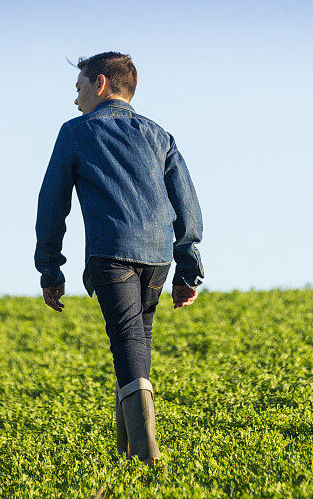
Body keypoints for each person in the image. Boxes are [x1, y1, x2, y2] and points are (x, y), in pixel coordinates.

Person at [35, 52, 204, 465]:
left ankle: (146, 455)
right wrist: (188, 268)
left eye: (78, 88)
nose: (75, 99)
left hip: (112, 252)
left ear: (101, 84)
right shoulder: (159, 134)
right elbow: (187, 204)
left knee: (128, 340)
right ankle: (128, 453)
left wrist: (50, 267)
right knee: (137, 341)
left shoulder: (76, 131)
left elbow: (52, 203)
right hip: (159, 255)